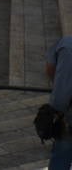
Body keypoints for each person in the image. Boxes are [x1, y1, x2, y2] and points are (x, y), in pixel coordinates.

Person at [46, 35, 72, 169]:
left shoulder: (66, 45)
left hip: (68, 116)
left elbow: (51, 69)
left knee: (61, 157)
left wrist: (55, 112)